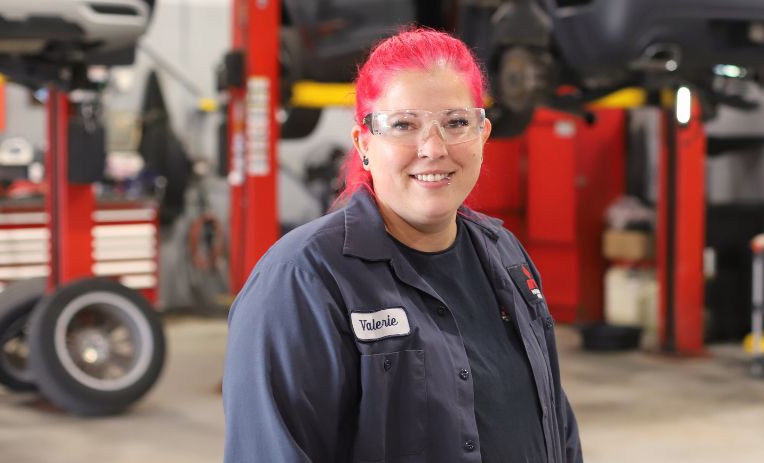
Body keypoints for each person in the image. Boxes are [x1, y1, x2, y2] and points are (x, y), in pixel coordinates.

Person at [222, 28, 582, 462]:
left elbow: (555, 424)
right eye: (404, 125)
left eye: (455, 123)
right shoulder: (302, 280)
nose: (433, 148)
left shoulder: (505, 255)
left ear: (483, 135)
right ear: (365, 143)